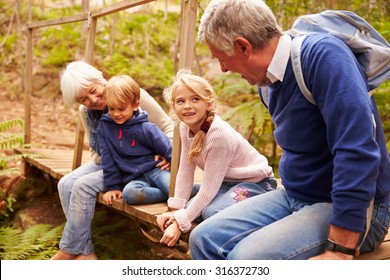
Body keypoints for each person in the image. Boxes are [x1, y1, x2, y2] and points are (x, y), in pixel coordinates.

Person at [189, 0, 390, 260]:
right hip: (295, 195)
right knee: (203, 239)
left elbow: (357, 151)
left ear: (243, 46)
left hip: (358, 210)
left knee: (246, 260)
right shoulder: (266, 83)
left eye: (222, 59)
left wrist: (340, 248)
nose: (223, 69)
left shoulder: (323, 57)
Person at [51, 61, 174, 260]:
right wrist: (110, 160)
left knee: (83, 186)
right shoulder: (86, 112)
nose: (92, 100)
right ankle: (85, 252)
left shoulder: (132, 95)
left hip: (139, 162)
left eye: (93, 90)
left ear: (100, 79)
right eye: (83, 98)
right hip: (109, 161)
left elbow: (168, 126)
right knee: (65, 183)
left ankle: (70, 250)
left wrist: (167, 155)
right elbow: (95, 151)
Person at [156, 70, 276, 247]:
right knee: (193, 206)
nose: (187, 106)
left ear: (208, 102)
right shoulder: (185, 127)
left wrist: (179, 225)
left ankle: (257, 217)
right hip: (226, 182)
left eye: (195, 99)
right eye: (180, 101)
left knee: (211, 213)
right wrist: (176, 210)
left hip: (257, 183)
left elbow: (208, 190)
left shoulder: (218, 135)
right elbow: (185, 170)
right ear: (174, 106)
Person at [98, 75, 171, 205]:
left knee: (173, 187)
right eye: (111, 108)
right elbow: (107, 158)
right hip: (134, 178)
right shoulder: (105, 128)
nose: (115, 114)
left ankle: (185, 193)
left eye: (121, 108)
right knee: (129, 195)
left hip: (157, 171)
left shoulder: (148, 128)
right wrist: (113, 186)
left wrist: (171, 162)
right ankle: (171, 195)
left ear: (135, 105)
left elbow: (169, 149)